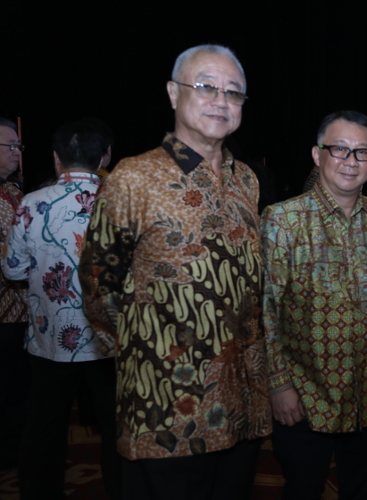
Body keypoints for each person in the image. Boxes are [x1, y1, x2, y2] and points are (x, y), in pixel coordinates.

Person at [79, 44, 271, 499]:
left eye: (233, 92)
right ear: (172, 92)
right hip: (166, 407)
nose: (221, 101)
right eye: (206, 86)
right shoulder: (133, 177)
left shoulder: (246, 179)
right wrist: (151, 351)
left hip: (243, 398)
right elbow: (98, 284)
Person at [261, 110, 367, 499]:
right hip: (304, 396)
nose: (351, 161)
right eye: (339, 149)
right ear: (317, 154)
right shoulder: (282, 220)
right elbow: (265, 310)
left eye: (362, 152)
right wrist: (279, 385)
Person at [2, 120, 121, 499]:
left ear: (56, 158)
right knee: (117, 428)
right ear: (105, 156)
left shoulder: (32, 203)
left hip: (50, 337)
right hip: (110, 339)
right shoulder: (123, 201)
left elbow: (13, 270)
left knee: (43, 429)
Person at [0, 117, 28, 471]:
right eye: (9, 146)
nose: (16, 152)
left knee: (18, 390)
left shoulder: (16, 192)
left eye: (18, 146)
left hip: (22, 313)